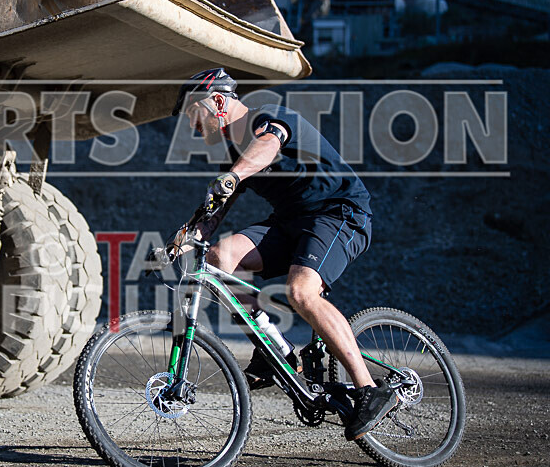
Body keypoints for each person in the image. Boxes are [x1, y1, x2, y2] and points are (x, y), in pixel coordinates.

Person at [170, 67, 397, 441]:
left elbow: (269, 145)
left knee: (300, 292)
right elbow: (220, 207)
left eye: (194, 113)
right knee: (218, 258)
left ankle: (370, 389)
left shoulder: (266, 115)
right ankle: (273, 344)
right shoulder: (228, 149)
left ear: (219, 102)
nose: (192, 126)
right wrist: (190, 233)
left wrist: (235, 175)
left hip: (338, 211)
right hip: (290, 221)